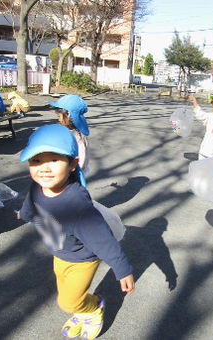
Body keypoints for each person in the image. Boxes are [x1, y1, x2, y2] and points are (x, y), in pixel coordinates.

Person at [17, 124, 135, 340]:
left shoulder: (76, 204)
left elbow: (103, 239)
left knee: (67, 301)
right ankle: (81, 309)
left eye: (54, 160)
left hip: (83, 258)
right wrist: (24, 214)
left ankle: (92, 308)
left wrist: (122, 268)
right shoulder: (37, 186)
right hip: (60, 253)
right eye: (36, 160)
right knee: (65, 290)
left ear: (73, 164)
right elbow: (31, 201)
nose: (43, 168)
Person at [48, 94, 91, 175]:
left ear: (68, 115)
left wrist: (70, 174)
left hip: (71, 175)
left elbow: (81, 159)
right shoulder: (69, 131)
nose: (59, 119)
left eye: (59, 116)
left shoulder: (77, 136)